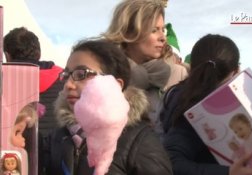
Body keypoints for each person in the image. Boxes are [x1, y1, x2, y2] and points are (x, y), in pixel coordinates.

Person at [41, 39, 172, 175]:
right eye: (67, 74)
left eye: (81, 74)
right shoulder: (58, 137)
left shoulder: (139, 142)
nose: (68, 84)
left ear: (115, 84)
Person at [161, 34, 252, 175]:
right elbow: (172, 162)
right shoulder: (193, 106)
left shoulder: (184, 97)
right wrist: (228, 173)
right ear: (236, 71)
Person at [101, 0, 187, 134]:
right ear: (129, 32)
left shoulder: (174, 74)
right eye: (154, 30)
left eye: (162, 30)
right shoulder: (101, 73)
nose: (163, 38)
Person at [3, 27, 64, 138]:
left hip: (13, 151)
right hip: (56, 151)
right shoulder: (65, 79)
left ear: (7, 56)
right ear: (39, 54)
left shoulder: (4, 80)